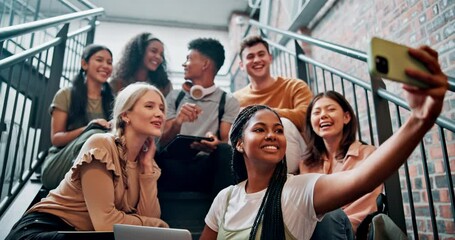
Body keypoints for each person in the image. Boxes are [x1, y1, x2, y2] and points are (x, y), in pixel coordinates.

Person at [200, 45, 448, 240]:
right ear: (240, 143)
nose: (273, 135)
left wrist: (419, 119)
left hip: (345, 227)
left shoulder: (298, 189)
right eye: (260, 129)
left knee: (331, 217)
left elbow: (364, 177)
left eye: (278, 130)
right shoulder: (226, 198)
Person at [6, 82, 169, 240]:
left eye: (162, 108)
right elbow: (106, 223)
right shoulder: (101, 144)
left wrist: (147, 168)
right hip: (43, 229)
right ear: (125, 115)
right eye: (149, 106)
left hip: (83, 234)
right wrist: (157, 225)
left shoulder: (146, 162)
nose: (159, 114)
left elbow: (149, 229)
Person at [156, 38, 240, 193]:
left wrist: (215, 144)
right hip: (174, 165)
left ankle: (223, 211)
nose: (184, 64)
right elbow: (163, 141)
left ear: (205, 64)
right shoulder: (174, 97)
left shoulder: (228, 101)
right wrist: (178, 121)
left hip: (206, 167)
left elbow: (226, 141)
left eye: (189, 59)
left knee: (225, 151)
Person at [300, 90, 383, 238]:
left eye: (330, 109)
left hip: (353, 230)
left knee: (325, 213)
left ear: (346, 117)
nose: (323, 115)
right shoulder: (307, 163)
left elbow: (364, 207)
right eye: (316, 112)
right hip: (311, 232)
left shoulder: (368, 154)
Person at [234, 35, 313, 174]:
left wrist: (260, 113)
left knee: (283, 124)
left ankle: (278, 182)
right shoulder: (236, 99)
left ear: (270, 58)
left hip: (297, 155)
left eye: (261, 54)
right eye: (250, 56)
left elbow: (307, 118)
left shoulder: (295, 86)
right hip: (255, 161)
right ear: (241, 65)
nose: (257, 60)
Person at [41, 44, 115, 190]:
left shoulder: (113, 100)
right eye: (99, 60)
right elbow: (56, 138)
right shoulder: (66, 95)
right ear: (84, 64)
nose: (105, 66)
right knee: (96, 135)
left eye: (109, 62)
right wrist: (89, 128)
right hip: (59, 166)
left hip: (97, 168)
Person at [110, 32, 172, 96]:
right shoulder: (118, 82)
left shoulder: (164, 85)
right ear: (140, 51)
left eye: (161, 55)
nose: (158, 57)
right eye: (153, 51)